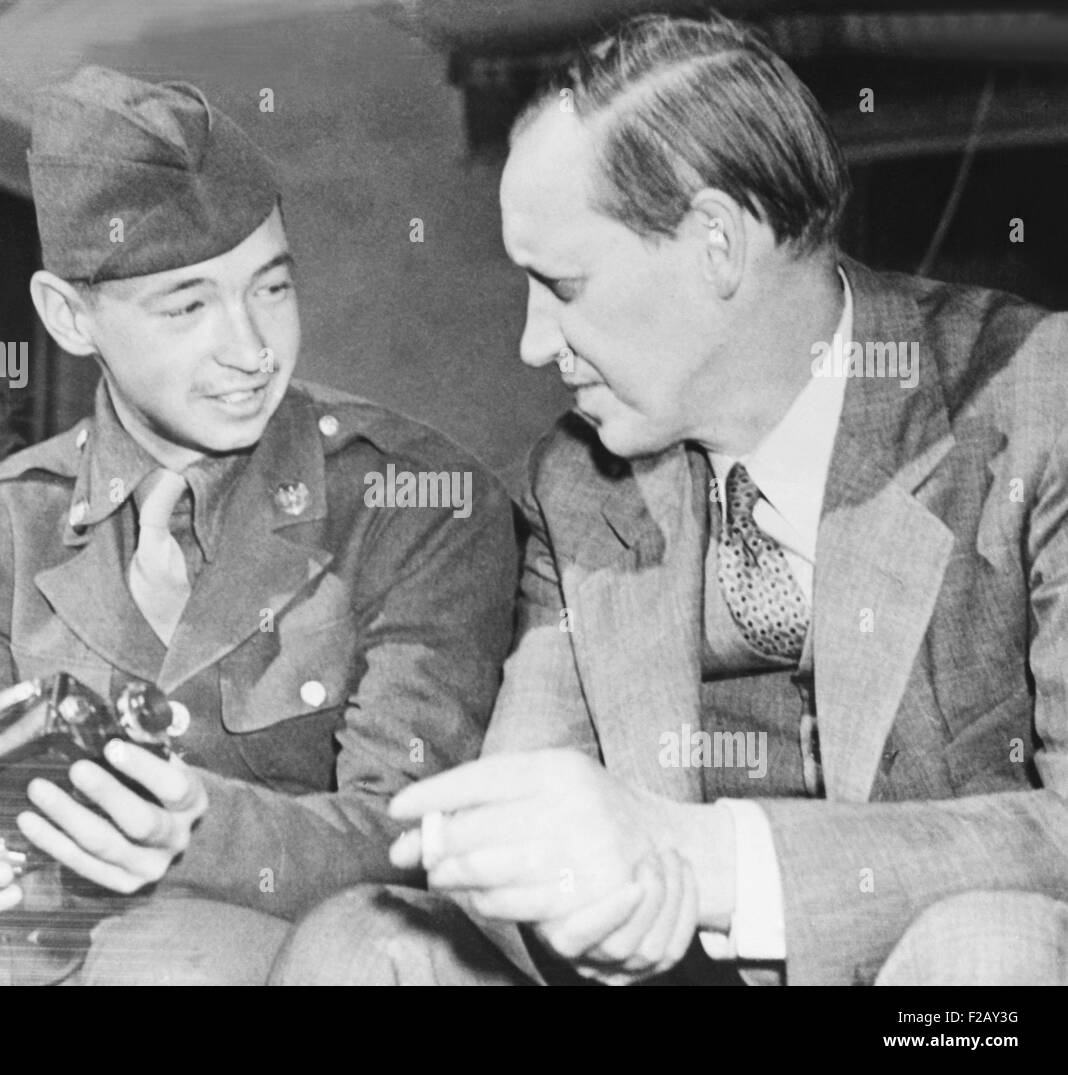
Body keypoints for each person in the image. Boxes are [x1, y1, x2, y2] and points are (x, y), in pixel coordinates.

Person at [270, 13, 1068, 986]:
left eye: (561, 283)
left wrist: (702, 861)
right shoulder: (577, 478)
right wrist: (570, 897)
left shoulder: (1037, 402)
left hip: (940, 979)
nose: (531, 343)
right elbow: (522, 800)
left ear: (716, 245)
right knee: (364, 940)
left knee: (988, 949)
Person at [0, 66, 516, 985]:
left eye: (272, 289)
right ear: (69, 316)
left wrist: (188, 823)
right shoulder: (2, 525)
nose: (250, 351)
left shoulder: (413, 502)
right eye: (189, 305)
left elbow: (413, 836)